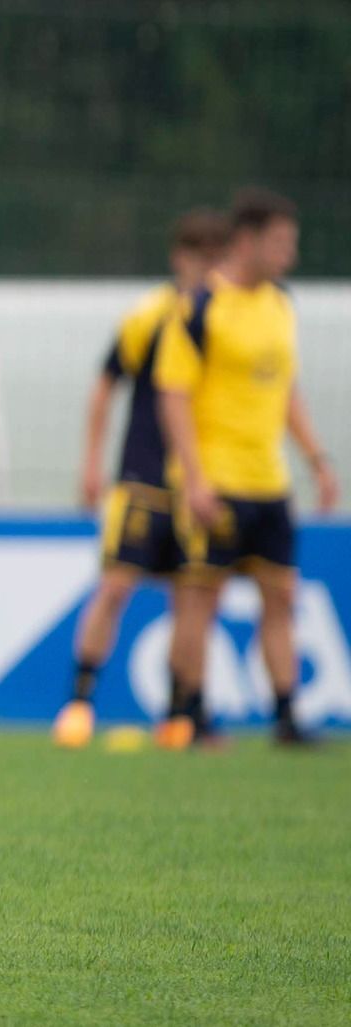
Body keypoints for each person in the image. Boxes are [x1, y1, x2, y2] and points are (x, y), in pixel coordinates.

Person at [154, 188, 339, 749]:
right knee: (199, 599)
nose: (290, 254)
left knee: (281, 597)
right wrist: (195, 479)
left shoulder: (281, 304)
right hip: (217, 479)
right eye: (280, 242)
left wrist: (316, 459)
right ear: (247, 241)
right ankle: (190, 712)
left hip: (269, 482)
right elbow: (174, 394)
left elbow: (286, 391)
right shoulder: (200, 306)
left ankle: (287, 718)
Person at [52, 210, 228, 749]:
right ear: (180, 258)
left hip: (201, 482)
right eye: (199, 259)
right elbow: (106, 386)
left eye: (216, 260)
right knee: (116, 586)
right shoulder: (150, 317)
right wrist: (90, 462)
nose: (207, 271)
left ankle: (184, 715)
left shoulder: (230, 319)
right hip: (142, 477)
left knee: (193, 600)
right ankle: (79, 703)